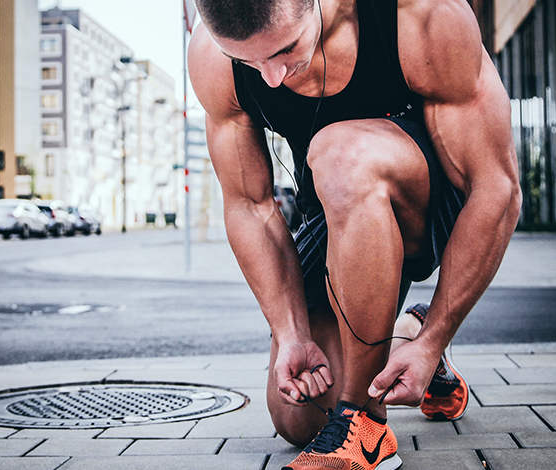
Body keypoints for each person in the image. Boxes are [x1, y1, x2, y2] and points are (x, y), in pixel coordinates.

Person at [188, 0, 521, 468]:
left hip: (433, 202)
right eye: (249, 62)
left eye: (285, 49)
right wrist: (291, 333)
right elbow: (250, 206)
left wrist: (438, 339)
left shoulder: (419, 14)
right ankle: (407, 332)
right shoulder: (211, 56)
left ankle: (365, 426)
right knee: (298, 418)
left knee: (340, 153)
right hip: (337, 212)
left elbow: (496, 188)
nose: (271, 78)